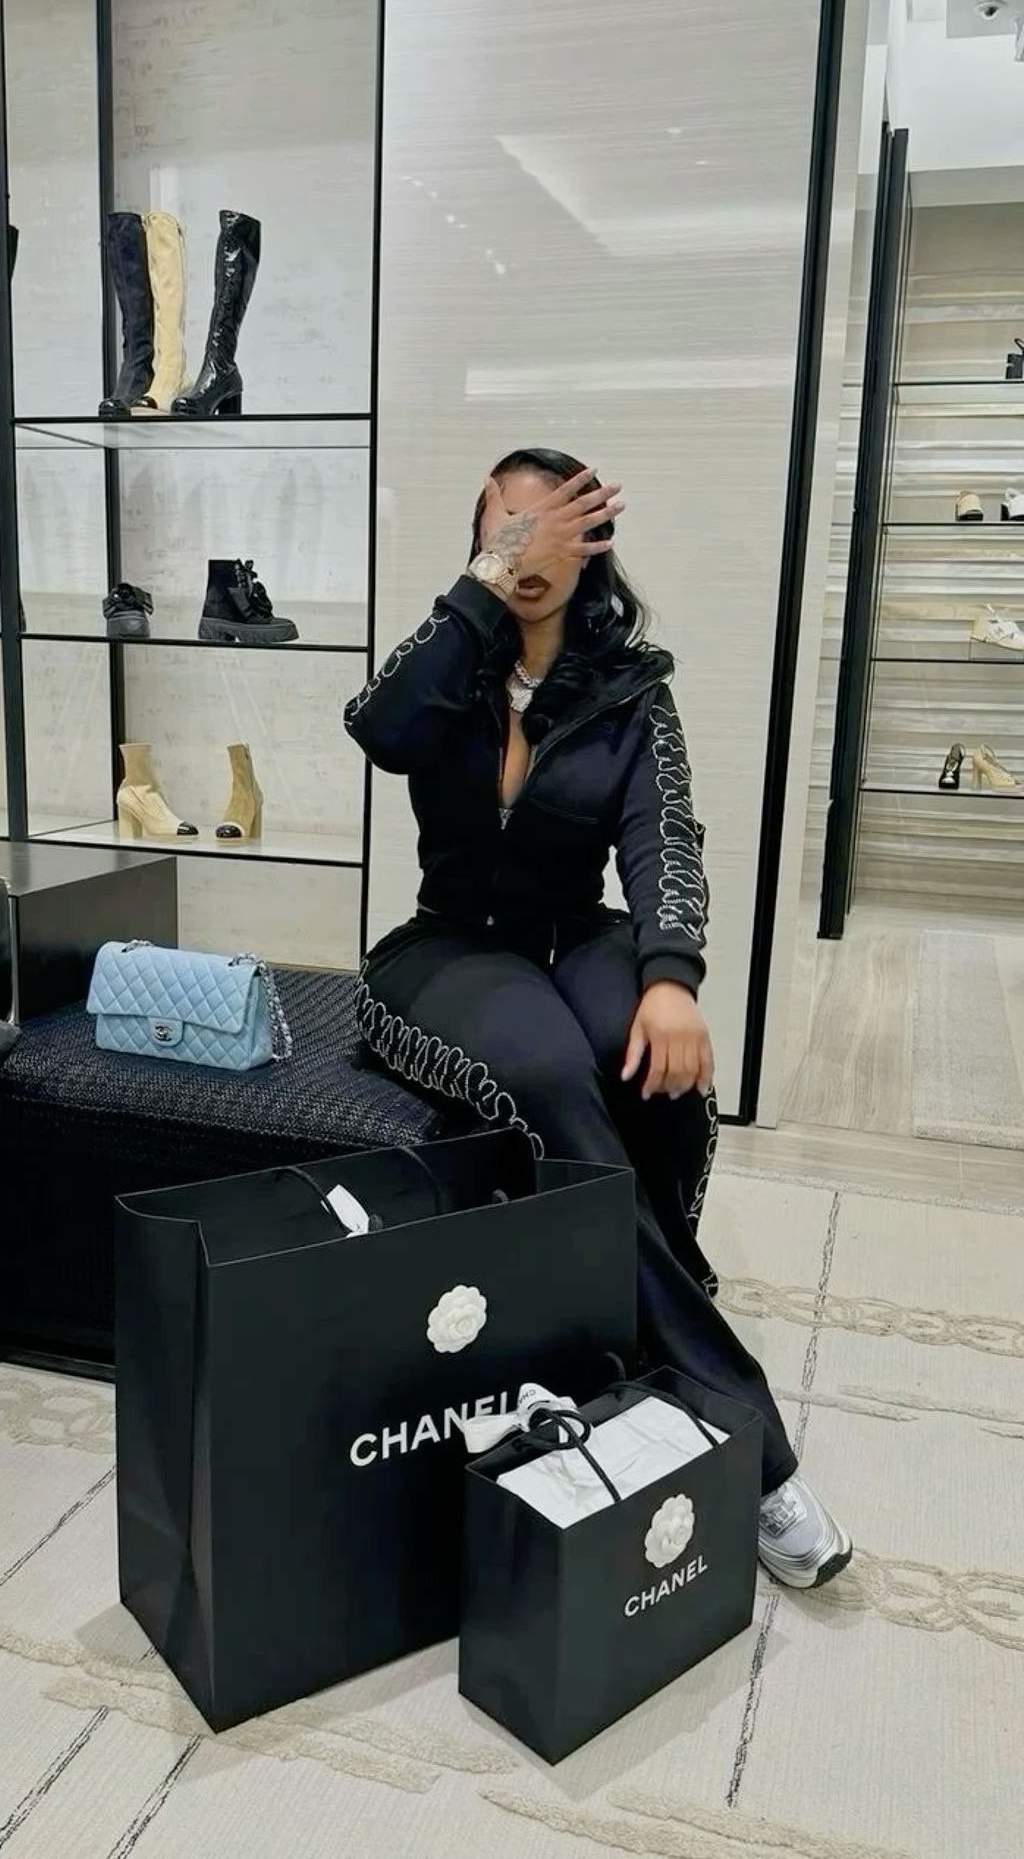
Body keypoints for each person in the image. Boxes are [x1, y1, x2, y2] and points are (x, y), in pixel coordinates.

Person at [345, 446, 850, 1590]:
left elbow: (665, 840)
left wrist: (671, 974)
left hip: (577, 934)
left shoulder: (631, 690)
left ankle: (649, 1276)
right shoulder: (446, 666)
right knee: (551, 1073)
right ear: (482, 545)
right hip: (450, 947)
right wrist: (478, 591)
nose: (531, 548)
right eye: (507, 528)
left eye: (554, 525)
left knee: (645, 1054)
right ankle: (752, 1443)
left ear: (593, 543)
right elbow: (381, 731)